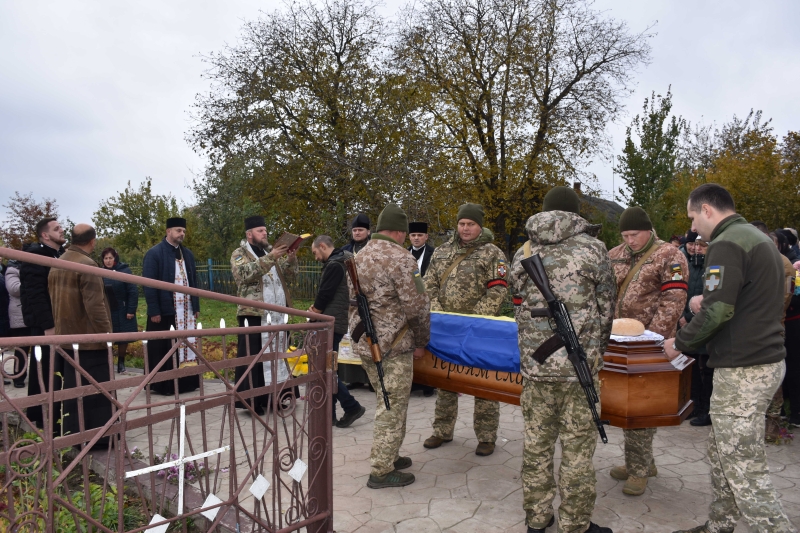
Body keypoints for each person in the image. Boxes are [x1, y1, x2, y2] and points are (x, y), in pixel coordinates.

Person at [666, 183, 795, 533]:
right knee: (723, 451)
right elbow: (741, 301)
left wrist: (679, 342)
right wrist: (704, 302)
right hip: (760, 361)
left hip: (745, 369)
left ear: (707, 209)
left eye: (693, 217)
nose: (693, 227)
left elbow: (719, 313)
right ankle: (719, 525)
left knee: (741, 464)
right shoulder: (754, 238)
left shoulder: (726, 242)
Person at [510, 186, 616, 533]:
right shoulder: (594, 249)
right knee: (576, 451)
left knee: (537, 446)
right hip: (577, 369)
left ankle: (537, 520)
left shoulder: (523, 250)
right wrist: (595, 355)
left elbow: (515, 299)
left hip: (537, 369)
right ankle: (575, 524)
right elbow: (606, 308)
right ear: (575, 213)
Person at [348, 204, 431, 488]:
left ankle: (391, 454)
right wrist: (421, 341)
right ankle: (381, 470)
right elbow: (417, 307)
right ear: (399, 232)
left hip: (365, 342)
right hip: (392, 347)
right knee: (391, 405)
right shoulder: (402, 259)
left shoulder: (359, 256)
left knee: (389, 399)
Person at [608, 206, 688, 496]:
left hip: (652, 343)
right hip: (619, 341)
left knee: (641, 408)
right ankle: (643, 462)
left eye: (635, 234)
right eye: (625, 235)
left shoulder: (670, 255)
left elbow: (675, 298)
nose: (630, 240)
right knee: (625, 405)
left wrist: (653, 338)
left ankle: (639, 469)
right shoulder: (615, 253)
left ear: (648, 229)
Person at [423, 203, 508, 457]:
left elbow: (499, 288)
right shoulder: (441, 252)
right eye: (462, 223)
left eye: (470, 224)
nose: (465, 228)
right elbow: (429, 285)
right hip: (448, 329)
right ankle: (442, 430)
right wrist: (441, 315)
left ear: (480, 226)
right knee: (446, 378)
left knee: (483, 383)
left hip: (479, 329)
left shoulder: (493, 253)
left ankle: (486, 436)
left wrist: (475, 319)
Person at [48, 224, 113, 447]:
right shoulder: (87, 265)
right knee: (94, 391)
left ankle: (73, 434)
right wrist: (106, 335)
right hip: (88, 340)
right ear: (92, 241)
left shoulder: (58, 262)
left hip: (66, 338)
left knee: (74, 390)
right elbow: (95, 306)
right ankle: (99, 438)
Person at [230, 216, 298, 415]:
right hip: (254, 314)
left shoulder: (269, 252)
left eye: (265, 230)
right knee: (255, 358)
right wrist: (272, 257)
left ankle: (278, 396)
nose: (265, 233)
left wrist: (291, 261)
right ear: (249, 234)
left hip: (276, 314)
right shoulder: (239, 253)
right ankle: (253, 401)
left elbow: (288, 276)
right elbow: (243, 275)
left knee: (277, 355)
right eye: (260, 231)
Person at [309, 235, 366, 427]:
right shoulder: (342, 261)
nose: (315, 257)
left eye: (315, 253)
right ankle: (330, 414)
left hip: (330, 323)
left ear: (323, 247)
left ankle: (351, 407)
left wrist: (314, 312)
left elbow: (325, 293)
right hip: (336, 321)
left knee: (326, 371)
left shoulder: (334, 265)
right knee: (329, 369)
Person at [142, 217, 200, 395]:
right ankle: (163, 384)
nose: (182, 234)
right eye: (178, 230)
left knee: (186, 343)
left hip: (186, 310)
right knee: (163, 346)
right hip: (165, 310)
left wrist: (196, 306)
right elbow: (149, 283)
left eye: (183, 231)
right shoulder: (154, 253)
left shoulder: (187, 254)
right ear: (168, 232)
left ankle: (186, 382)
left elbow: (193, 282)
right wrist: (154, 309)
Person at [20, 217, 65, 429]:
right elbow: (35, 295)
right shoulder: (34, 256)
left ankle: (60, 413)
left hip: (61, 321)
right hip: (44, 324)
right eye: (57, 229)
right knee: (44, 370)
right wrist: (48, 325)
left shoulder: (61, 255)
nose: (62, 231)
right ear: (45, 235)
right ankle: (42, 415)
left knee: (58, 370)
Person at [681, 232, 712, 427]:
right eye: (696, 245)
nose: (697, 248)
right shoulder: (687, 265)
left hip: (705, 325)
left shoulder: (713, 269)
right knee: (690, 367)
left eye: (702, 246)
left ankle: (706, 410)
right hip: (686, 323)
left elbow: (711, 297)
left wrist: (692, 317)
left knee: (707, 370)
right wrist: (681, 316)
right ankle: (692, 405)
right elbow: (679, 292)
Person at [408, 221, 436, 397]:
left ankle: (428, 382)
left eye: (420, 235)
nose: (416, 238)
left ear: (426, 236)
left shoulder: (434, 254)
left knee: (426, 340)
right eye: (413, 235)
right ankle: (412, 380)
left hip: (428, 302)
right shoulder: (403, 253)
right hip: (408, 303)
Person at [100, 248, 138, 373]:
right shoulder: (99, 272)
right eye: (106, 258)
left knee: (123, 338)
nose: (108, 261)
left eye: (110, 258)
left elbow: (132, 291)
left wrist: (131, 310)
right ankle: (108, 364)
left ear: (115, 258)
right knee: (108, 338)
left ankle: (121, 363)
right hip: (107, 311)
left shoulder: (124, 271)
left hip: (123, 309)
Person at [6, 255, 31, 388]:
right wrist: (32, 283)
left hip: (30, 314)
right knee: (21, 349)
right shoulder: (12, 270)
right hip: (19, 314)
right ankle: (18, 377)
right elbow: (14, 289)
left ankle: (28, 375)